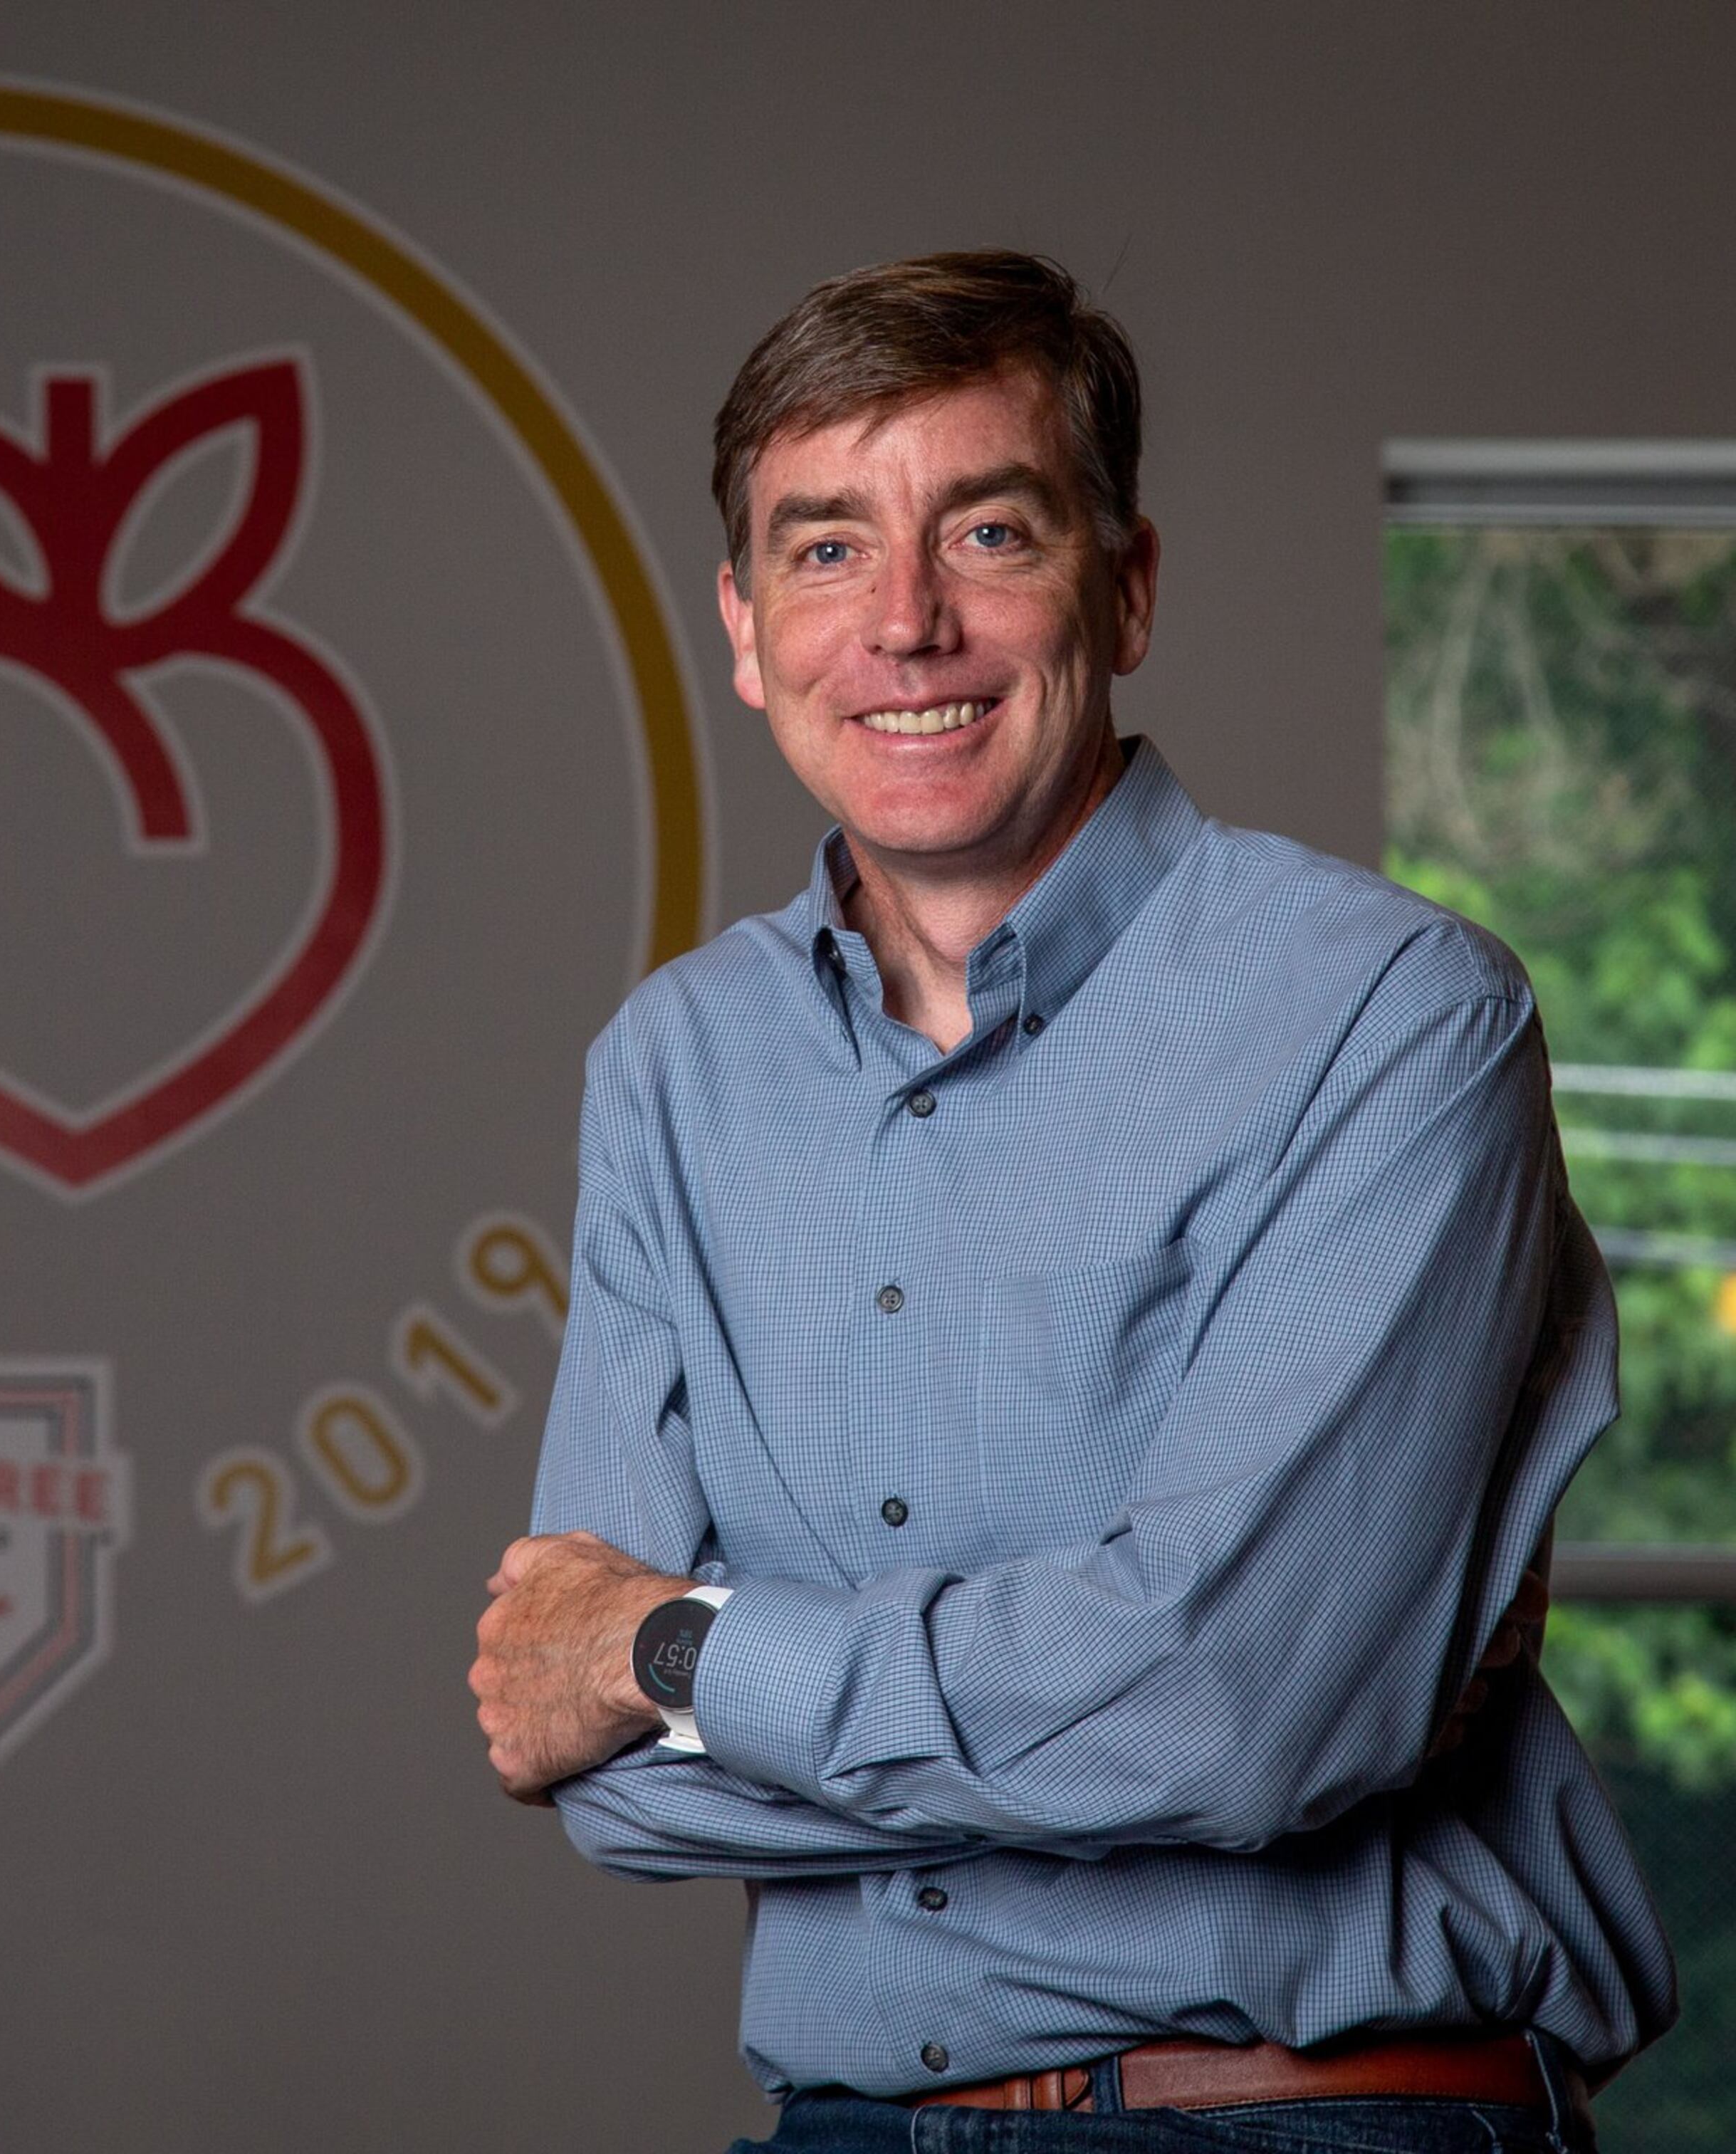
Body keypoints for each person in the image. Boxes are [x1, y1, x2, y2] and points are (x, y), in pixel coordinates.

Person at [468, 252, 1673, 2150]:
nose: (907, 623)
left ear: (1128, 584)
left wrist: (674, 1653)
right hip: (852, 2122)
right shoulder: (673, 1071)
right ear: (745, 629)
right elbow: (591, 1764)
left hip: (1311, 2116)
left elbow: (1243, 1716)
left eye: (991, 531)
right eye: (827, 549)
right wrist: (1131, 1710)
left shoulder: (1391, 1017)